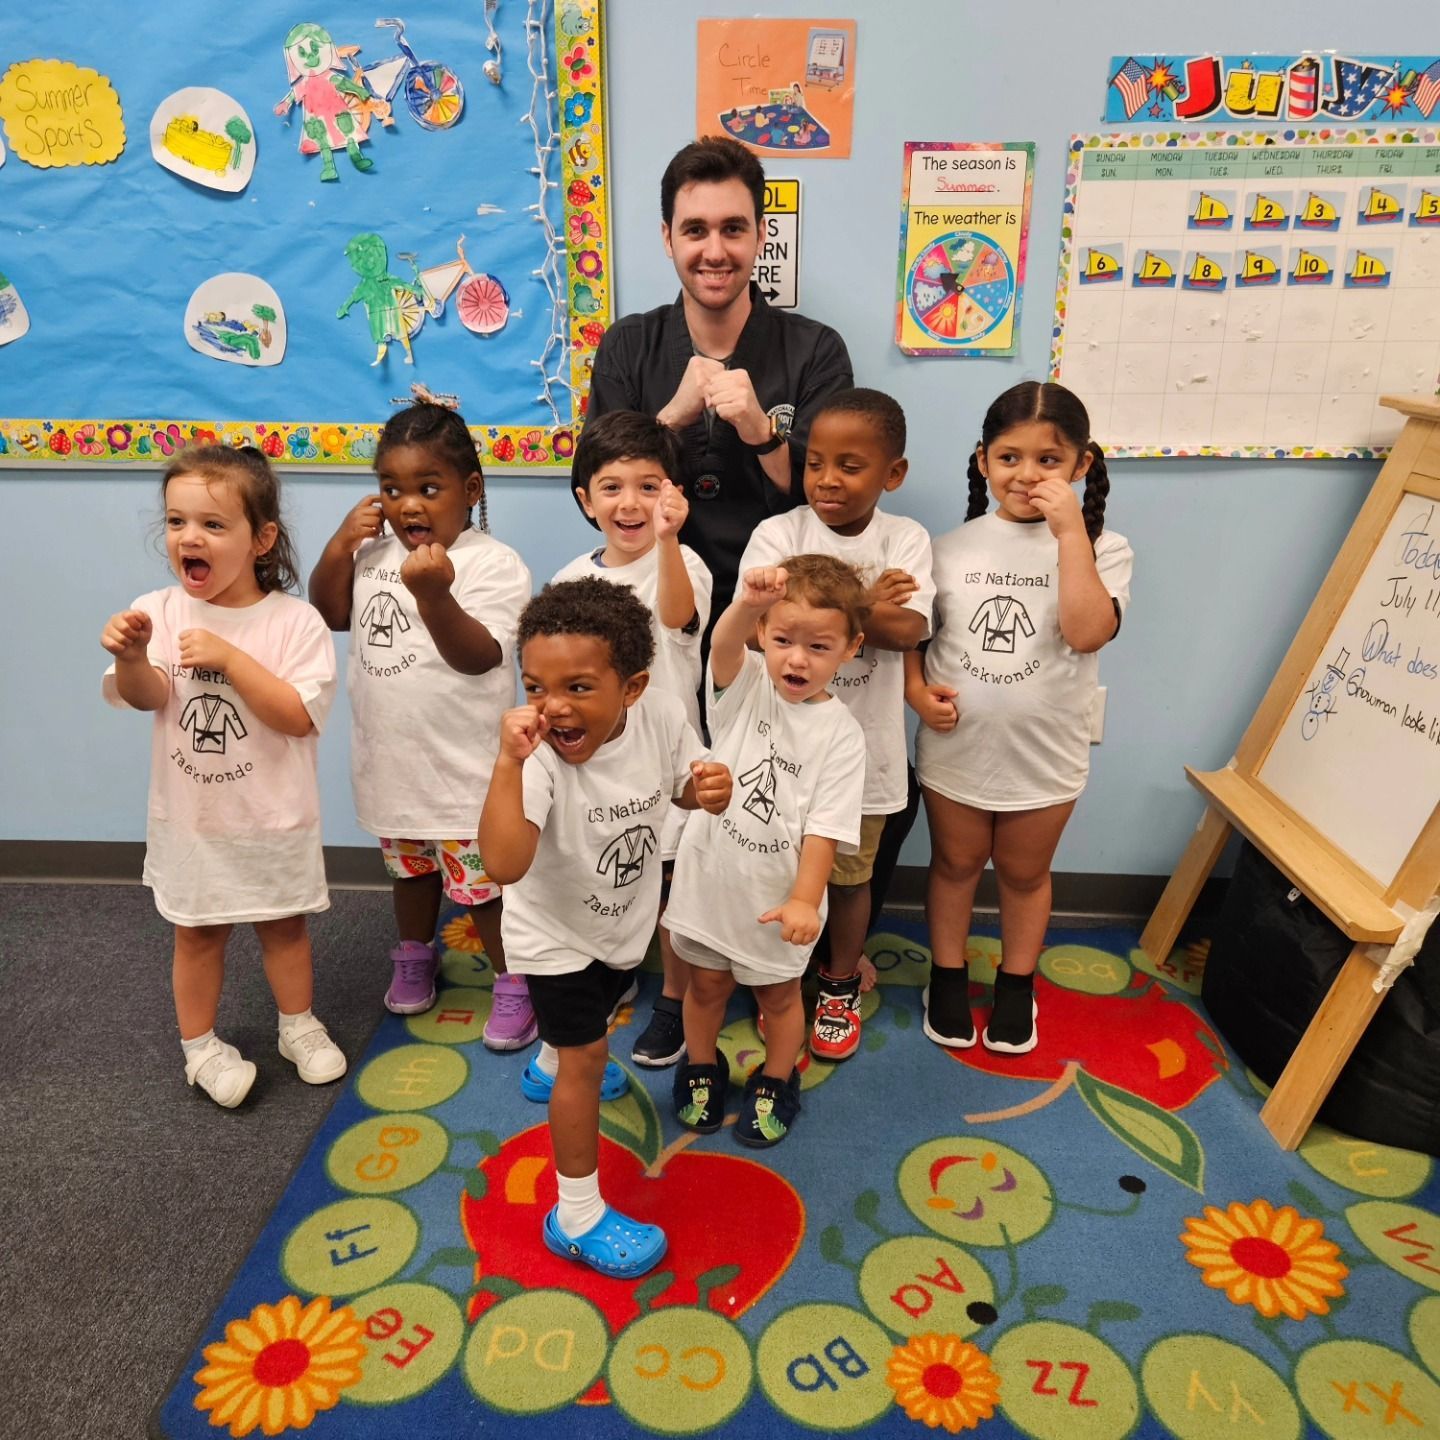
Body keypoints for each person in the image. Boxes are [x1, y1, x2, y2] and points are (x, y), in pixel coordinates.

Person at [479, 578, 732, 1278]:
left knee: (599, 1018)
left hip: (621, 919)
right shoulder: (534, 759)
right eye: (535, 687)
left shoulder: (660, 715)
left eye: (579, 687)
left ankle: (550, 1061)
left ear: (634, 687)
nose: (552, 707)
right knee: (588, 1056)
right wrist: (507, 762)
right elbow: (502, 864)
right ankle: (577, 1214)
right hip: (551, 932)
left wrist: (705, 788)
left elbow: (679, 780)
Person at [101, 446, 344, 1108]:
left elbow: (297, 715)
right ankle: (200, 1048)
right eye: (177, 522)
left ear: (261, 539)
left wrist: (231, 659)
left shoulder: (295, 622)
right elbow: (147, 695)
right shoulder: (160, 609)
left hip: (273, 817)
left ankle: (298, 1026)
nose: (189, 538)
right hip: (194, 822)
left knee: (284, 926)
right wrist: (130, 657)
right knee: (197, 933)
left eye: (212, 524)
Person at [908, 381, 1132, 1054]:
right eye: (1010, 457)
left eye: (1048, 460)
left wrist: (1071, 535)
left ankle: (1016, 983)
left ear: (1082, 465)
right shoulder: (947, 548)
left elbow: (1088, 631)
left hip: (1046, 753)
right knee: (954, 864)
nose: (1027, 475)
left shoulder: (1105, 548)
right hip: (958, 747)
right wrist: (917, 694)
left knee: (1025, 874)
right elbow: (915, 645)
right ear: (982, 461)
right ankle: (946, 978)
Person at [309, 402, 533, 1047]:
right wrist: (338, 547)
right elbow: (331, 612)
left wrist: (435, 593)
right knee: (411, 873)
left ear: (471, 490)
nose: (409, 505)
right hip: (393, 764)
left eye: (428, 488)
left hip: (464, 773)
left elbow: (480, 656)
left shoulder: (493, 564)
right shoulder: (374, 555)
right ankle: (414, 954)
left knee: (483, 890)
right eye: (392, 488)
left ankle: (513, 981)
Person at [738, 388, 933, 1063]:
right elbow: (765, 626)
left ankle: (841, 979)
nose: (827, 479)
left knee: (850, 880)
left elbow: (908, 630)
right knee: (772, 868)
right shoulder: (779, 533)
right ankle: (776, 979)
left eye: (850, 465)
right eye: (816, 461)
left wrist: (829, 605)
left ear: (893, 474)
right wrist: (864, 601)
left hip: (864, 757)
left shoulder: (906, 538)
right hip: (774, 748)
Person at [584, 134, 853, 617]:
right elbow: (595, 492)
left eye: (732, 229)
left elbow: (828, 503)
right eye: (695, 230)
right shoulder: (627, 346)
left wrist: (762, 433)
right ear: (668, 238)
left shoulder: (816, 351)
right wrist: (668, 421)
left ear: (760, 234)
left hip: (776, 613)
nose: (714, 251)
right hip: (652, 604)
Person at [665, 556, 867, 1147]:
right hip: (710, 883)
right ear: (763, 636)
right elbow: (721, 645)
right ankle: (701, 1067)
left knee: (778, 998)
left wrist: (806, 901)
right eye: (782, 639)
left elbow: (824, 830)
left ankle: (777, 1079)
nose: (797, 659)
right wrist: (747, 604)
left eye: (818, 646)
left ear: (850, 648)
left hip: (778, 900)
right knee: (704, 987)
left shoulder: (842, 734)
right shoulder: (746, 683)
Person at [553, 411, 713, 1069]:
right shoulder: (569, 579)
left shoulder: (687, 564)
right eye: (612, 486)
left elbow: (678, 620)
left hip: (670, 760)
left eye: (649, 486)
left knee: (673, 888)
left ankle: (673, 1001)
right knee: (613, 872)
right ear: (587, 501)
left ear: (672, 494)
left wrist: (671, 540)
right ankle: (613, 967)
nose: (631, 502)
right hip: (597, 765)